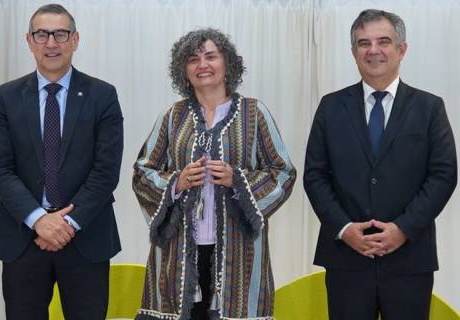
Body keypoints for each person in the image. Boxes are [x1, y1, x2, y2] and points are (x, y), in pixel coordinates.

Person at [304, 9, 457, 320]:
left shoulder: (429, 107)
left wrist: (403, 229)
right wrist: (345, 229)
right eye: (363, 43)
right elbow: (315, 176)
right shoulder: (331, 106)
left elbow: (443, 174)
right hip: (346, 258)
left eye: (383, 41)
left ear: (401, 49)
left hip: (409, 258)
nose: (373, 50)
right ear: (353, 52)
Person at [132, 28, 296, 320]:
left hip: (239, 252)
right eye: (193, 59)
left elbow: (282, 173)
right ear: (184, 69)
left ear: (227, 63)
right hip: (178, 254)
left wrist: (238, 180)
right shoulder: (172, 116)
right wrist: (176, 183)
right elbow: (143, 172)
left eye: (210, 56)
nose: (202, 65)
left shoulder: (254, 113)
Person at [0, 4, 123, 319]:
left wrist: (66, 225)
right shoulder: (6, 97)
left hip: (85, 237)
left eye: (60, 33)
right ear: (29, 40)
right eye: (42, 34)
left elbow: (105, 171)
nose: (51, 43)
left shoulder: (102, 95)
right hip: (23, 238)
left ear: (75, 40)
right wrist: (39, 220)